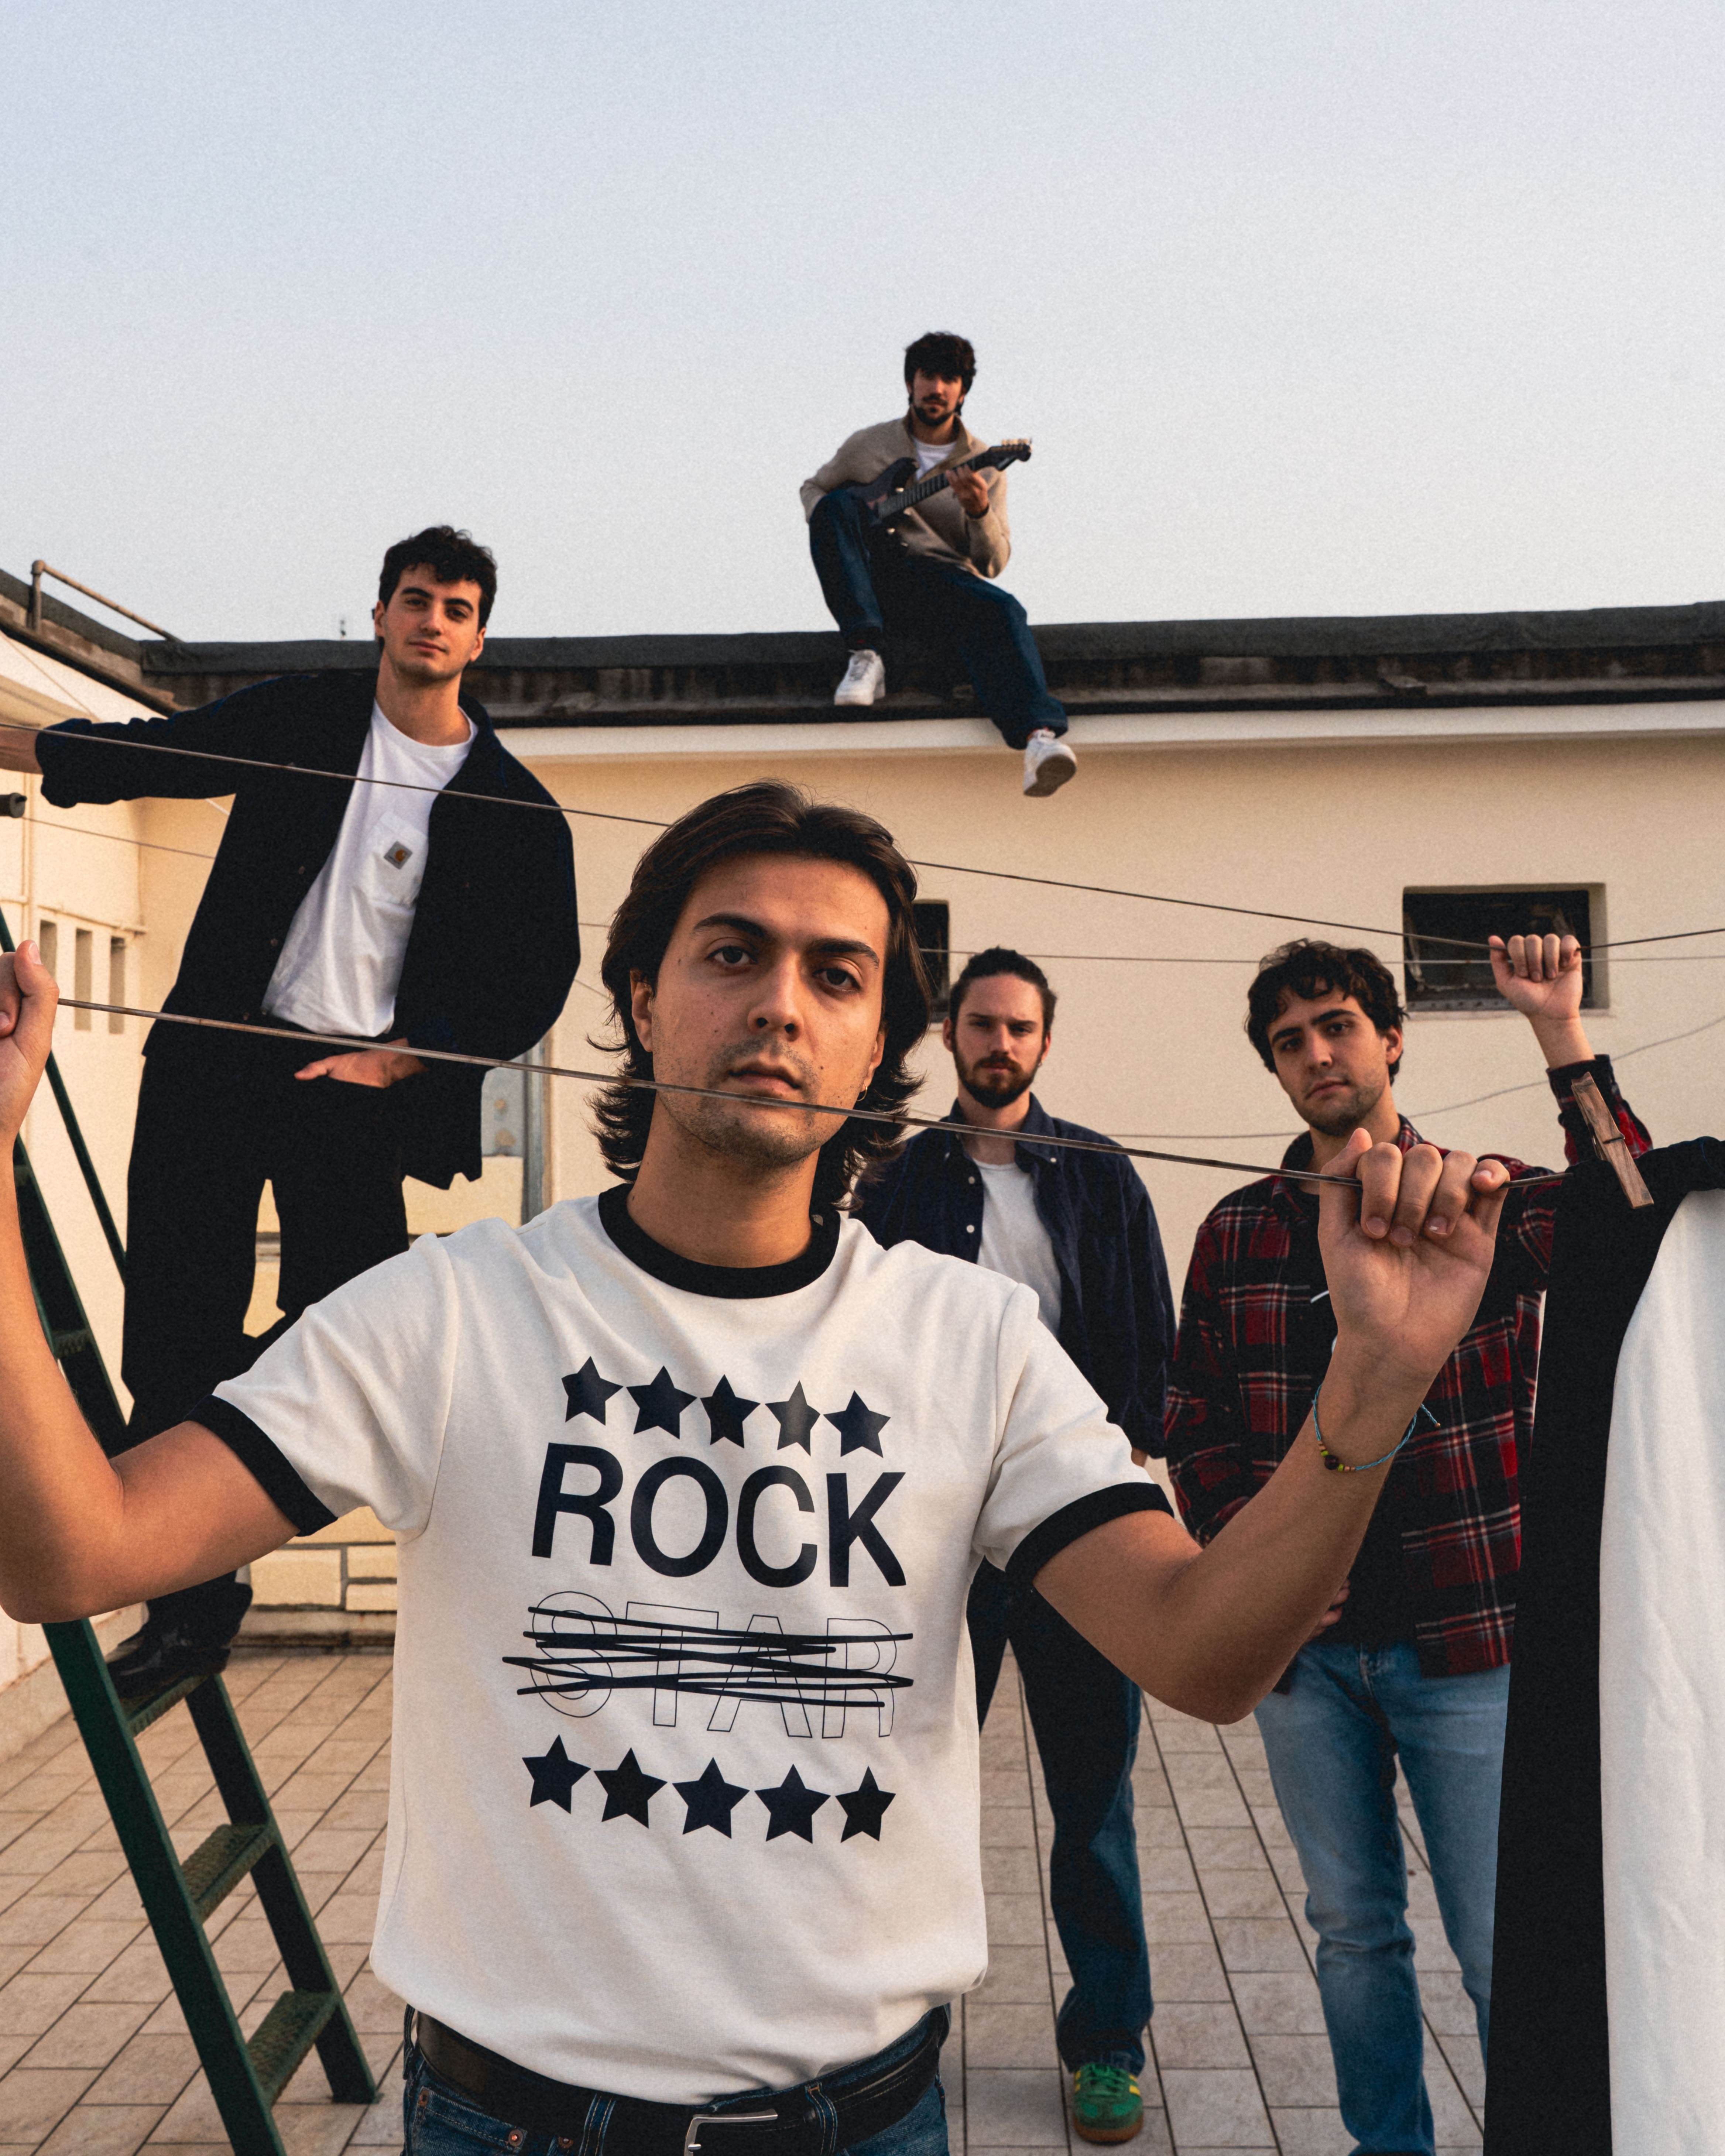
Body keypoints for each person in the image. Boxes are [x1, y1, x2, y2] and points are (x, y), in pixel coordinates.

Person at [0, 782, 1516, 2156]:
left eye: (837, 975)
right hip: (506, 2121)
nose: (780, 1003)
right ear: (643, 997)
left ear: (878, 1048)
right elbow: (74, 1552)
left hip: (865, 2121)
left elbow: (1203, 1653)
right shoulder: (451, 1313)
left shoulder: (973, 1341)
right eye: (732, 954)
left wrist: (1376, 1382)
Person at [0, 526, 579, 1697]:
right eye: (415, 599)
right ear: (381, 613)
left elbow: (539, 975)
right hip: (217, 1059)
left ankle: (213, 1434)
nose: (432, 621)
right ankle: (192, 1606)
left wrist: (404, 1064)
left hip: (350, 1094)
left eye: (456, 608)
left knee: (351, 1317)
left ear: (479, 637)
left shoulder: (513, 804)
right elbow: (161, 753)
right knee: (173, 1320)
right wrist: (15, 744)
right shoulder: (311, 716)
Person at [1162, 935, 1649, 2156]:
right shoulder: (1238, 1229)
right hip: (1305, 1659)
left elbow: (1631, 1211)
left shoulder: (1478, 1197)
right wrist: (1249, 1559)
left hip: (1470, 1637)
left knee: (1500, 1943)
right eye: (1290, 1041)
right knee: (1353, 1935)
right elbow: (1194, 1421)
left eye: (1337, 1025)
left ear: (1389, 1039)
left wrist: (1559, 1031)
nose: (1317, 1054)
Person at [854, 947, 1172, 2144]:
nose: (1000, 1044)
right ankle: (896, 2043)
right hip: (936, 1542)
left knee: (1093, 1803)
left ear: (1045, 1038)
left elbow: (1146, 1336)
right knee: (909, 1794)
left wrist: (1109, 1482)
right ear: (953, 1033)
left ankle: (1107, 2044)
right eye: (983, 1024)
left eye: (1020, 1027)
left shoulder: (1097, 1174)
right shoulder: (896, 1178)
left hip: (1072, 1537)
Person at [800, 331, 1077, 800]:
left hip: (938, 581)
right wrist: (846, 521)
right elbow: (814, 490)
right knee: (836, 505)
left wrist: (978, 511)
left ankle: (1038, 739)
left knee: (1003, 609)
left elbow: (993, 563)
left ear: (963, 391)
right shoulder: (867, 445)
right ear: (910, 383)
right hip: (870, 578)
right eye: (928, 376)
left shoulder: (985, 464)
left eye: (950, 379)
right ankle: (865, 655)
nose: (937, 388)